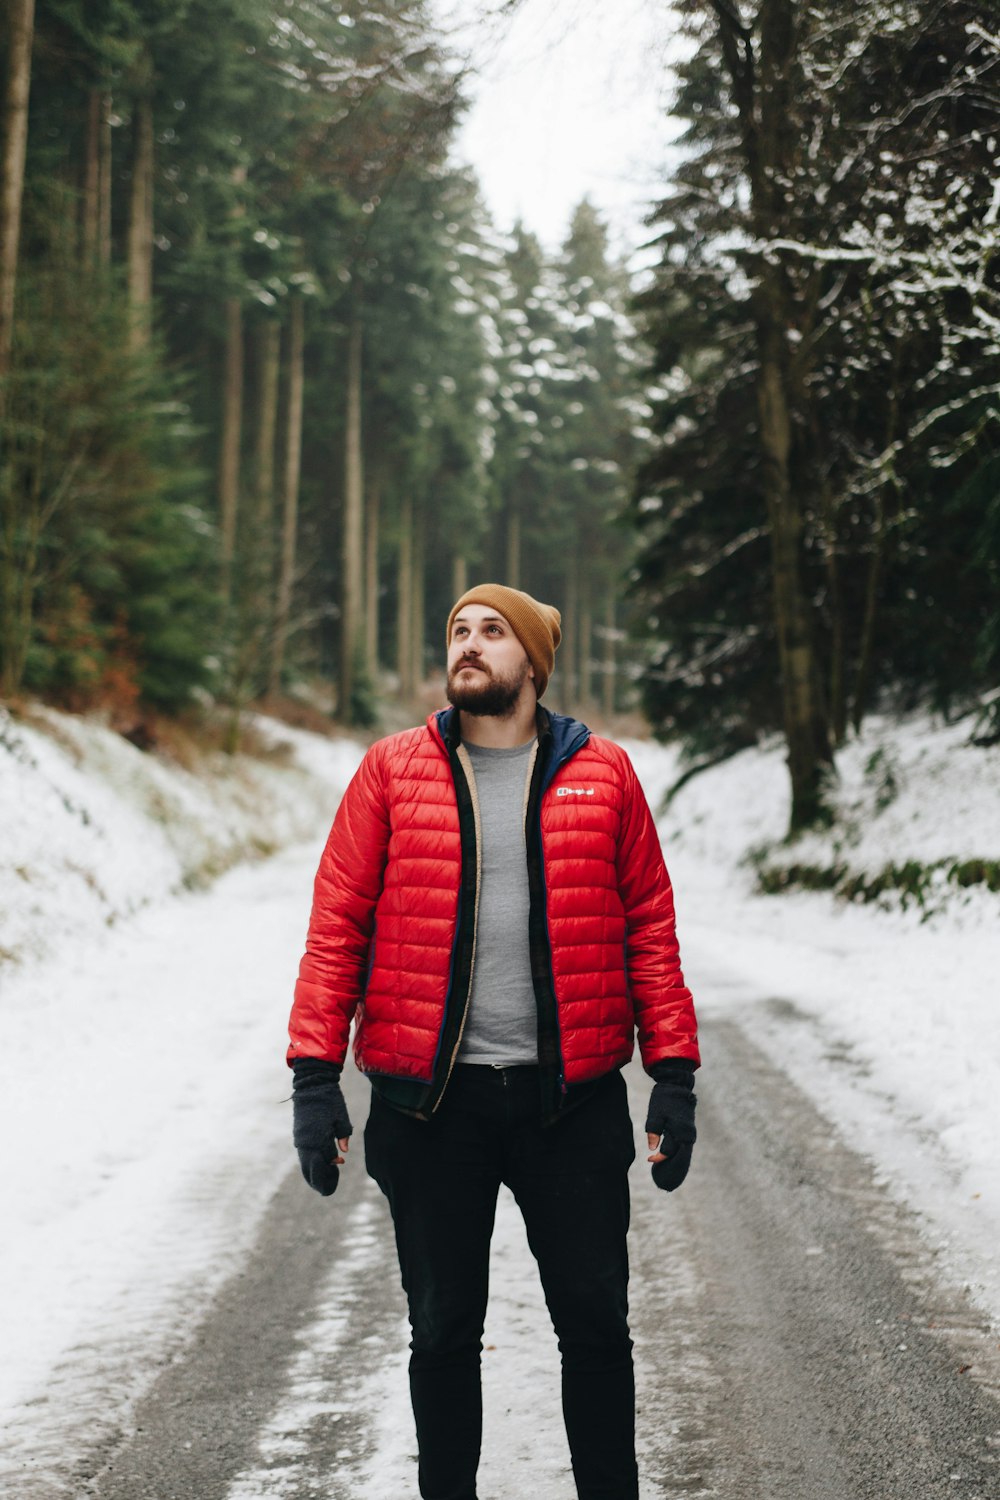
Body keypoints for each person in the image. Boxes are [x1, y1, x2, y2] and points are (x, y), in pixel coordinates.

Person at [287, 582, 700, 1500]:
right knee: (440, 1335)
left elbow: (649, 929)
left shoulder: (606, 774)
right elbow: (337, 928)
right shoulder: (393, 771)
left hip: (573, 1101)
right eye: (458, 632)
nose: (469, 645)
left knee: (595, 1330)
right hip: (431, 1109)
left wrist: (674, 1073)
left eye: (491, 632)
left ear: (534, 662)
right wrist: (314, 1078)